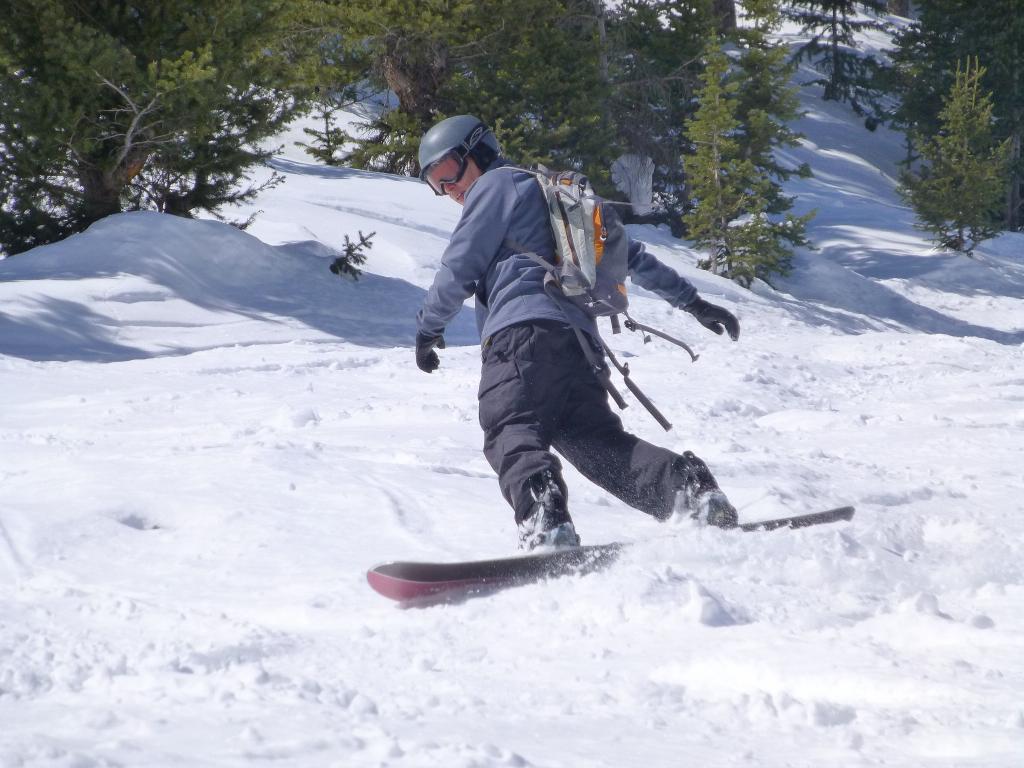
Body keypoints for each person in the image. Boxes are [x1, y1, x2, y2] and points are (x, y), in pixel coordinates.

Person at [414, 114, 742, 550]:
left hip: (521, 339)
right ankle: (689, 491)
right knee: (594, 443)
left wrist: (427, 328)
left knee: (510, 424)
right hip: (577, 346)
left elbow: (459, 266)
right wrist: (692, 301)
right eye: (435, 184)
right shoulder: (552, 193)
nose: (448, 189)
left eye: (447, 172)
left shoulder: (494, 186)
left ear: (478, 150)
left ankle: (544, 518)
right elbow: (630, 253)